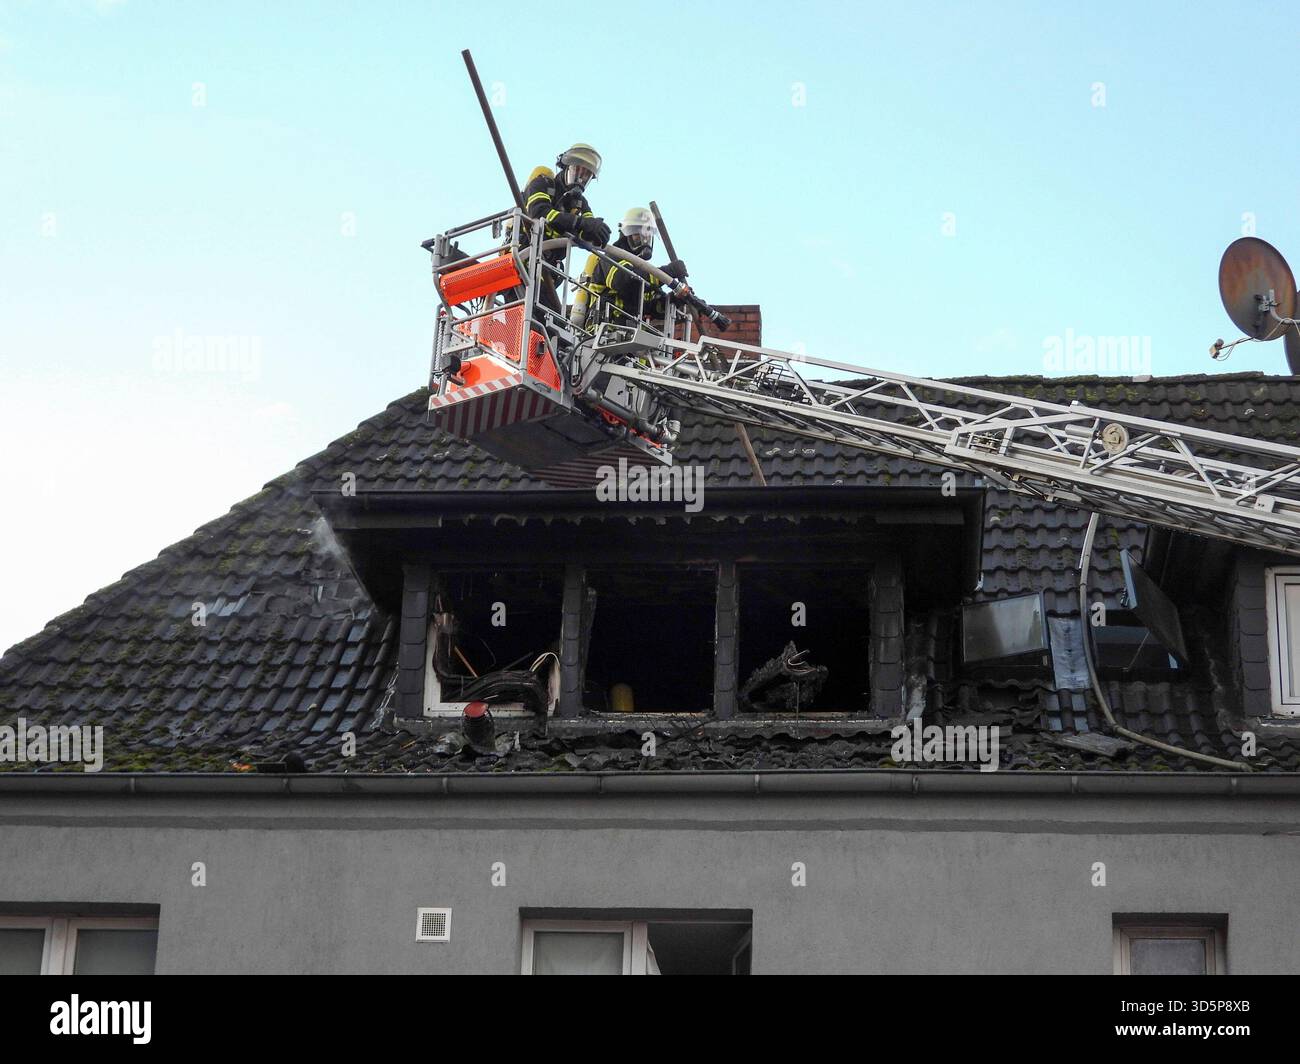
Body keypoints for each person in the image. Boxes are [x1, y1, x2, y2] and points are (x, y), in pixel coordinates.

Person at [580, 207, 688, 326]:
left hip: (629, 334)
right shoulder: (612, 256)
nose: (644, 240)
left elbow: (654, 309)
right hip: (604, 331)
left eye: (647, 235)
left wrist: (676, 298)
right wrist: (667, 272)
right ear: (626, 235)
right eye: (638, 234)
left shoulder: (645, 272)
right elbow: (627, 283)